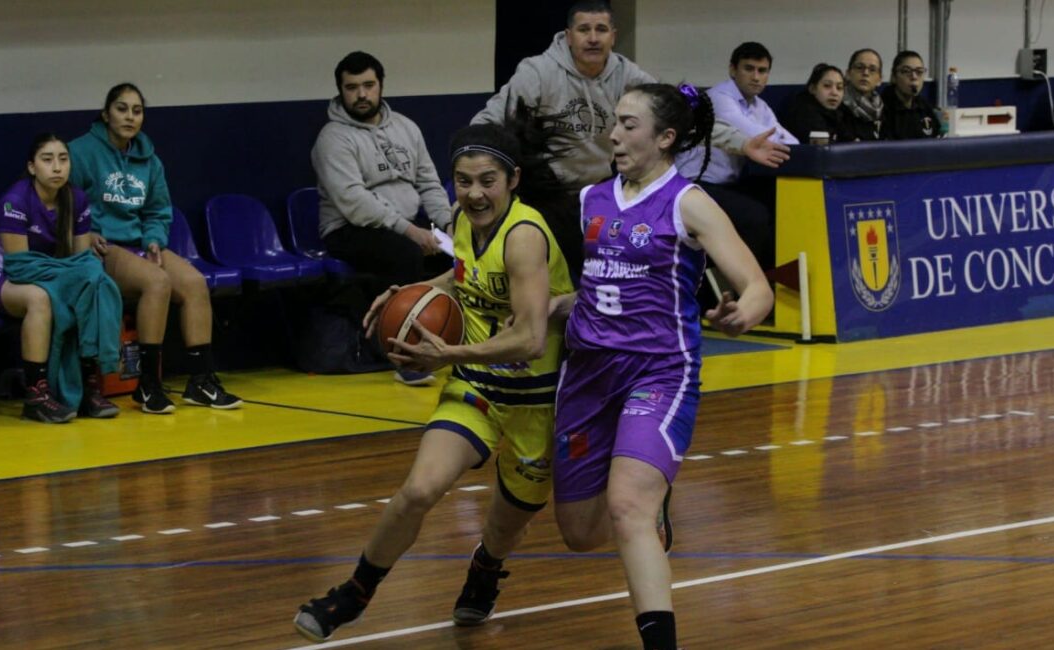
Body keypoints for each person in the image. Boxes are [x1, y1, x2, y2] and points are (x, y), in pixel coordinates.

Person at [292, 122, 575, 642]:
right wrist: (414, 289)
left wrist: (447, 352)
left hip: (537, 399)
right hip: (477, 387)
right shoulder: (463, 220)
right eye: (463, 181)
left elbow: (532, 338)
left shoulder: (525, 237)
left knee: (508, 522)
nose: (473, 193)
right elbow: (463, 275)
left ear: (512, 179)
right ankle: (354, 592)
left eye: (486, 181)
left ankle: (486, 568)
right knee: (419, 489)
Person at [548, 83, 774, 650]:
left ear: (665, 137)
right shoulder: (590, 201)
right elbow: (592, 289)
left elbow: (757, 289)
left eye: (627, 125)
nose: (613, 135)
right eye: (614, 123)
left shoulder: (687, 201)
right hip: (587, 375)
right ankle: (653, 496)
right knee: (580, 533)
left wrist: (742, 314)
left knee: (628, 506)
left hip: (659, 372)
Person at [472, 1, 789, 280]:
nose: (593, 38)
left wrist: (742, 144)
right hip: (546, 193)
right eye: (584, 30)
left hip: (598, 192)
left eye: (601, 29)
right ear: (568, 36)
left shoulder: (627, 74)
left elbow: (679, 114)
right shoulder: (537, 72)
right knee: (553, 277)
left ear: (613, 34)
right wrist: (475, 161)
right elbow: (487, 122)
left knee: (604, 276)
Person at [69, 83, 242, 414]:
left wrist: (153, 238)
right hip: (102, 246)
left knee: (193, 283)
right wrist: (85, 232)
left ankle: (201, 381)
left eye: (137, 110)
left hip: (138, 243)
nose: (130, 116)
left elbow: (157, 211)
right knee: (156, 282)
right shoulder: (80, 152)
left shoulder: (150, 159)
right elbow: (65, 202)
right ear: (106, 114)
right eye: (122, 109)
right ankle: (147, 385)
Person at [312, 51, 454, 386]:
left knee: (462, 252)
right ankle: (404, 355)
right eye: (352, 87)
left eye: (368, 85)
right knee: (403, 254)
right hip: (349, 229)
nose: (361, 94)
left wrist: (448, 225)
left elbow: (430, 184)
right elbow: (354, 202)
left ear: (380, 86)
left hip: (403, 225)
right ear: (340, 91)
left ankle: (459, 343)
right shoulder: (332, 139)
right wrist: (412, 232)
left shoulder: (407, 128)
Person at [0, 133, 121, 423]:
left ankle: (86, 385)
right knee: (39, 299)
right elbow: (20, 268)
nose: (57, 167)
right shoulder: (14, 201)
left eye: (63, 160)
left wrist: (79, 279)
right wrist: (67, 279)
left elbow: (80, 263)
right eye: (47, 160)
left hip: (45, 272)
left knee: (91, 285)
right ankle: (37, 396)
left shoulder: (76, 199)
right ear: (31, 167)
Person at [676, 41, 796, 271]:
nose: (756, 77)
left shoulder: (759, 105)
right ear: (733, 70)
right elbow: (758, 137)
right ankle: (743, 282)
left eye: (762, 71)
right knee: (755, 216)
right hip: (693, 184)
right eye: (748, 69)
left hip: (727, 184)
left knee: (780, 200)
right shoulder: (719, 98)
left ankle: (774, 279)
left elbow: (788, 140)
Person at [782, 63, 855, 143]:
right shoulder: (804, 113)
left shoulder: (841, 111)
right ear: (812, 89)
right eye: (827, 86)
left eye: (839, 88)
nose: (834, 92)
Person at [880, 51, 941, 139]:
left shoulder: (924, 106)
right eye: (906, 71)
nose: (914, 77)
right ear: (894, 76)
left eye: (919, 72)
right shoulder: (881, 109)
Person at [842, 48, 885, 141]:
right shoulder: (837, 105)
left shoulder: (885, 109)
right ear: (848, 74)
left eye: (872, 69)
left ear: (880, 79)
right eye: (859, 67)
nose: (865, 73)